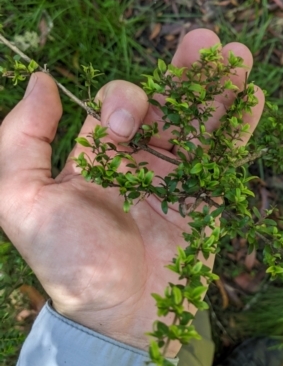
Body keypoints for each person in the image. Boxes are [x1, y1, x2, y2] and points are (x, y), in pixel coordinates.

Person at [0, 29, 265, 365]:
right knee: (191, 342)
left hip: (149, 344)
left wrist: (112, 332)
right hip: (159, 343)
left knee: (192, 342)